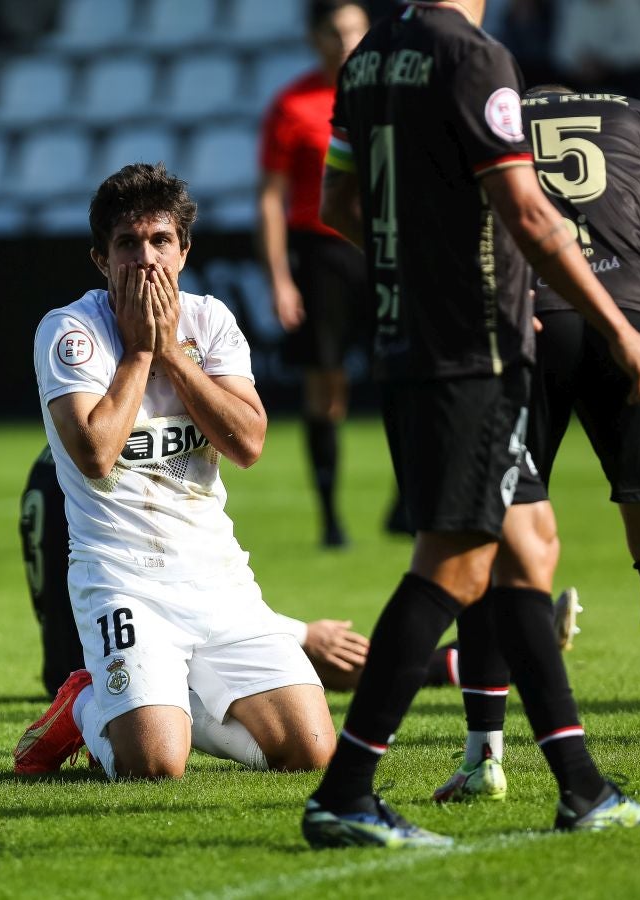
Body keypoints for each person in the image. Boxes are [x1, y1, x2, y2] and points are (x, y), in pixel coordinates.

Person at [300, 0, 640, 849]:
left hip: (411, 346)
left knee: (527, 548)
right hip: (470, 359)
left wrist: (435, 279)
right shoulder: (474, 57)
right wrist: (619, 330)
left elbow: (338, 203)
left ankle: (581, 787)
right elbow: (531, 215)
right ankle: (346, 793)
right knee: (454, 563)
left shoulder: (368, 59)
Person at [433, 84, 640, 806]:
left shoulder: (492, 123)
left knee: (492, 541)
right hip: (631, 326)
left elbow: (448, 237)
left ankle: (484, 757)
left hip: (526, 329)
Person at [14, 163, 336, 780]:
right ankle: (84, 705)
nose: (146, 259)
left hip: (217, 577)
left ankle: (168, 700)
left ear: (184, 251)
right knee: (155, 766)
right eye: (127, 244)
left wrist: (172, 354)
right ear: (101, 259)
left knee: (311, 752)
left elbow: (248, 443)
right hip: (121, 578)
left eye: (161, 241)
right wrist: (140, 352)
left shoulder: (210, 321)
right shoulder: (70, 330)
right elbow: (96, 456)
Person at [19, 445, 369, 695]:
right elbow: (164, 590)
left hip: (66, 657)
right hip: (103, 662)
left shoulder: (57, 458)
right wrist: (302, 634)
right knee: (314, 668)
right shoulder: (111, 472)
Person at [258, 0, 371, 548]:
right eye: (334, 32)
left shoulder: (386, 95)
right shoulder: (292, 105)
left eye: (354, 30)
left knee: (407, 369)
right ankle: (330, 518)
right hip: (321, 252)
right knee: (325, 383)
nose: (345, 42)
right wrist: (280, 277)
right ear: (315, 38)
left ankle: (409, 504)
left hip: (382, 245)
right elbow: (270, 197)